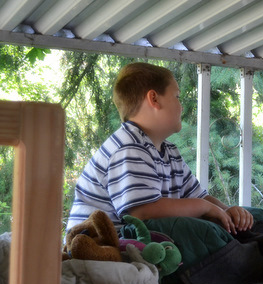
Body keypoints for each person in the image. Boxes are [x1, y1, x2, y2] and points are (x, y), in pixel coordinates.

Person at [66, 62, 253, 235]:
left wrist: (226, 210)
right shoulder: (128, 146)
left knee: (248, 222)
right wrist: (205, 208)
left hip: (137, 247)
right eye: (177, 97)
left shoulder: (170, 152)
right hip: (99, 250)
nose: (181, 106)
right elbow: (144, 212)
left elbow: (198, 196)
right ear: (154, 99)